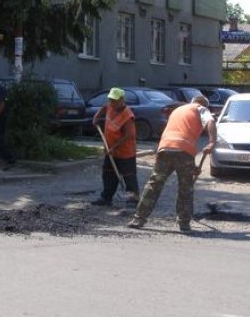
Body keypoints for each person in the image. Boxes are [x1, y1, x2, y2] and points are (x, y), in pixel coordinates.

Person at [128, 95, 217, 232]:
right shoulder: (200, 109)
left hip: (165, 147)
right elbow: (210, 121)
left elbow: (179, 133)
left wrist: (192, 168)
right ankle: (184, 222)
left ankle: (138, 219)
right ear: (204, 104)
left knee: (154, 184)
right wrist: (211, 142)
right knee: (185, 188)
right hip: (184, 150)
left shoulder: (178, 110)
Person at [91, 87, 139, 207]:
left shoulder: (127, 115)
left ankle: (133, 200)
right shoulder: (110, 106)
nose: (112, 102)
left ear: (122, 99)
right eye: (111, 99)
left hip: (125, 152)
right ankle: (106, 198)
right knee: (108, 174)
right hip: (110, 150)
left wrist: (114, 148)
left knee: (129, 177)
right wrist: (96, 117)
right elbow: (104, 108)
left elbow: (129, 135)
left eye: (115, 100)